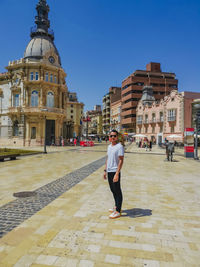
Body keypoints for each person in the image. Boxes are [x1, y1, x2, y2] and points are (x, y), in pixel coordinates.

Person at [104, 130, 124, 219]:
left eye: (114, 136)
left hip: (115, 171)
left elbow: (121, 160)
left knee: (117, 191)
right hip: (109, 171)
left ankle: (118, 211)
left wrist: (117, 173)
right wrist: (105, 170)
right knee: (113, 190)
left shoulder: (119, 147)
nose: (112, 137)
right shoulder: (109, 147)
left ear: (117, 137)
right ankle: (117, 206)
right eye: (111, 136)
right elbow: (108, 159)